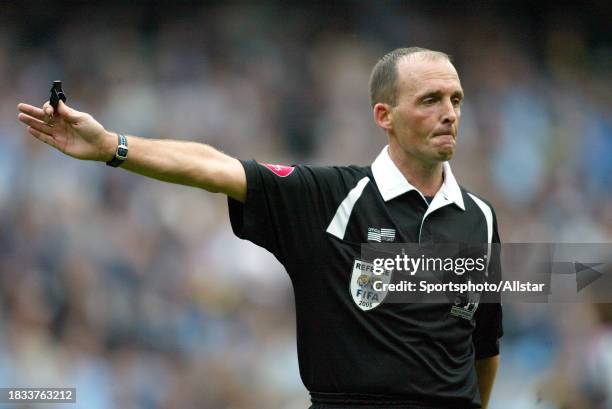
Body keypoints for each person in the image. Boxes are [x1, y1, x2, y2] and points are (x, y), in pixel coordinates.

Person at [17, 47, 502, 409]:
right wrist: (112, 147)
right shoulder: (329, 197)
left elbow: (483, 344)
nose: (450, 114)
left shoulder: (480, 217)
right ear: (385, 116)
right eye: (431, 99)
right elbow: (214, 166)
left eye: (456, 99)